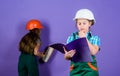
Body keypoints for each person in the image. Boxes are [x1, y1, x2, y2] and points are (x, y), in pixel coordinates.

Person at [64, 9, 100, 76]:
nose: (81, 26)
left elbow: (93, 52)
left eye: (84, 23)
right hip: (75, 69)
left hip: (90, 69)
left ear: (90, 23)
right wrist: (67, 56)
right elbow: (66, 57)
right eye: (79, 23)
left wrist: (84, 38)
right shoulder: (71, 37)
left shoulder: (94, 38)